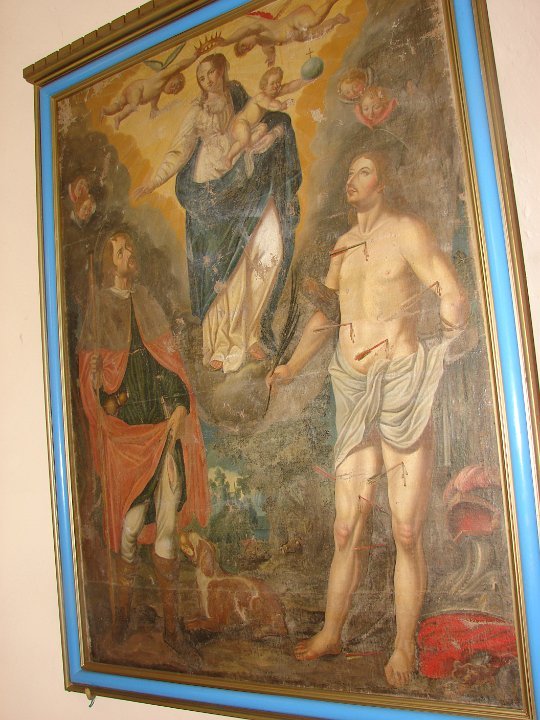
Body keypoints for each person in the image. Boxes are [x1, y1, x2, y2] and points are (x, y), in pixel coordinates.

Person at [268, 152, 471, 687]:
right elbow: (328, 316)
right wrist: (291, 367)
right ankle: (332, 632)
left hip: (401, 383)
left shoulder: (406, 231)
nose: (352, 180)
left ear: (383, 180)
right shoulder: (342, 246)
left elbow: (447, 288)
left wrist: (452, 317)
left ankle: (403, 644)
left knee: (404, 528)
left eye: (363, 171)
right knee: (344, 526)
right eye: (350, 172)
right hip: (351, 386)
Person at [78, 229, 209, 666]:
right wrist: (98, 386)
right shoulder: (99, 310)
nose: (129, 253)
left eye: (130, 247)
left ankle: (172, 628)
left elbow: (169, 368)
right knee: (130, 530)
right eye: (120, 250)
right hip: (127, 441)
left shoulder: (149, 304)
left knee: (168, 526)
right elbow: (96, 390)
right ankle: (122, 619)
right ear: (109, 262)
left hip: (162, 433)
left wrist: (179, 405)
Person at [134, 54, 302, 373]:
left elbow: (267, 115)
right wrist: (154, 181)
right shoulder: (197, 111)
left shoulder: (238, 96)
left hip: (243, 180)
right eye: (201, 77)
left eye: (211, 73)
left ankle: (251, 331)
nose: (207, 80)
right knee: (224, 266)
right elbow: (179, 150)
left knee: (268, 250)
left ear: (222, 70)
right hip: (209, 194)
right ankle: (223, 342)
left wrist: (271, 133)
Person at [221, 66, 311, 174]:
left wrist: (304, 81)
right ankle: (229, 157)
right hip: (241, 123)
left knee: (263, 129)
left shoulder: (273, 92)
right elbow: (270, 105)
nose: (276, 86)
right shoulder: (261, 96)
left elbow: (289, 87)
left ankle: (248, 148)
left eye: (278, 82)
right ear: (265, 85)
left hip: (252, 126)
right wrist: (282, 105)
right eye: (272, 83)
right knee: (244, 139)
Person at [101, 43, 200, 129]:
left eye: (175, 91)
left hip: (133, 90)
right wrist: (194, 58)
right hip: (137, 89)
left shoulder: (158, 90)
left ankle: (105, 110)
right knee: (133, 105)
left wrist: (154, 108)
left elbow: (154, 99)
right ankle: (118, 118)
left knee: (119, 105)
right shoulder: (162, 76)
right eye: (175, 85)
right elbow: (179, 66)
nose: (173, 89)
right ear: (172, 75)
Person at [219, 1, 349, 66]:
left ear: (242, 38)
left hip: (295, 21)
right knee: (317, 33)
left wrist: (227, 41)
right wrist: (271, 58)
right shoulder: (264, 44)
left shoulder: (259, 28)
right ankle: (337, 19)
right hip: (297, 34)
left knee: (315, 20)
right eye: (246, 51)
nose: (247, 48)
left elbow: (246, 30)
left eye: (243, 45)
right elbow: (270, 51)